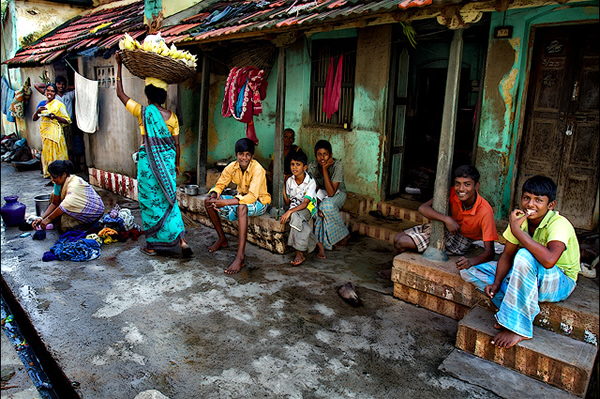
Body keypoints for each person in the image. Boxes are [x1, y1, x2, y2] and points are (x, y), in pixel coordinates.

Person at [461, 176, 579, 349]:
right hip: (531, 274)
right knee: (471, 272)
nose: (530, 204)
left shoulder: (559, 224)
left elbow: (548, 261)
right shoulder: (520, 221)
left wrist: (517, 230)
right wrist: (497, 282)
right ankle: (511, 311)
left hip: (560, 280)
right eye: (526, 198)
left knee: (523, 255)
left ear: (550, 205)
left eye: (539, 200)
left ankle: (519, 328)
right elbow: (507, 256)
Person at [114, 52, 192, 258]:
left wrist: (118, 65)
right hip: (167, 166)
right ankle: (182, 241)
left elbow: (120, 94)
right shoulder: (172, 117)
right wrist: (175, 165)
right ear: (163, 97)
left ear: (148, 96)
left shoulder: (143, 112)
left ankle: (152, 245)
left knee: (150, 204)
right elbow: (176, 145)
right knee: (170, 201)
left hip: (148, 167)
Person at [378, 165, 498, 279]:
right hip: (447, 227)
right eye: (458, 184)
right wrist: (447, 219)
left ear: (477, 186)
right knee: (397, 238)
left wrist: (471, 261)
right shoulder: (453, 193)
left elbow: (490, 252)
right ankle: (396, 267)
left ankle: (396, 269)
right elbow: (422, 208)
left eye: (467, 185)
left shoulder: (485, 211)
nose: (461, 189)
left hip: (461, 239)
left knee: (402, 242)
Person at [205, 138, 271, 274]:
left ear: (252, 156)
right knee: (208, 202)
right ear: (236, 155)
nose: (244, 158)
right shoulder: (232, 166)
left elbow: (252, 197)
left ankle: (240, 257)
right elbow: (220, 185)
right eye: (241, 154)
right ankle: (222, 239)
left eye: (247, 155)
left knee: (241, 208)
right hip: (241, 199)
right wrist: (214, 196)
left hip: (260, 202)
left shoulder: (257, 169)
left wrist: (226, 202)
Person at [32, 160, 104, 232]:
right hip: (72, 207)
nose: (52, 180)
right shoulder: (58, 184)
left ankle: (84, 226)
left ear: (63, 174)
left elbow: (66, 204)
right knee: (52, 195)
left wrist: (48, 219)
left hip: (93, 213)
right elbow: (54, 203)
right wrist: (42, 218)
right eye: (51, 177)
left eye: (54, 177)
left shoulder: (75, 184)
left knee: (65, 224)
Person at [307, 140, 350, 260]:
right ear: (315, 155)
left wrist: (325, 169)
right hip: (321, 195)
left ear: (330, 155)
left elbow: (331, 193)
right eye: (319, 154)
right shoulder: (312, 166)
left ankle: (343, 235)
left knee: (326, 206)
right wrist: (317, 203)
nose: (322, 157)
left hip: (338, 194)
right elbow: (312, 189)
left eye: (325, 154)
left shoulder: (337, 165)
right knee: (316, 209)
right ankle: (323, 243)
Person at [281, 149, 318, 266]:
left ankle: (299, 253)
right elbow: (287, 201)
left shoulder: (311, 182)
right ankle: (317, 243)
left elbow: (305, 203)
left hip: (307, 209)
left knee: (295, 217)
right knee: (297, 219)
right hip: (294, 209)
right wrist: (282, 184)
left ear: (305, 167)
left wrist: (289, 212)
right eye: (292, 164)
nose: (294, 167)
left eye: (298, 164)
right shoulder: (290, 181)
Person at [32, 83, 71, 184]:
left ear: (55, 93)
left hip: (56, 135)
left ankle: (61, 176)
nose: (50, 93)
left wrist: (56, 117)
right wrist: (37, 111)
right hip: (46, 135)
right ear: (45, 92)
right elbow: (34, 118)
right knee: (47, 155)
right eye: (48, 90)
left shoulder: (59, 105)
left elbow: (67, 120)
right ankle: (51, 176)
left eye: (52, 91)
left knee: (57, 155)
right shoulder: (42, 104)